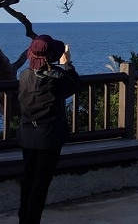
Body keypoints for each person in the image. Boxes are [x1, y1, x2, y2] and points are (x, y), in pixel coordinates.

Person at [17, 34, 82, 224]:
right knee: (41, 181)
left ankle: (24, 218)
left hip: (27, 134)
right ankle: (32, 220)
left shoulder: (24, 76)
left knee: (28, 177)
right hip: (49, 135)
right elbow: (75, 85)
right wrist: (67, 64)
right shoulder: (57, 77)